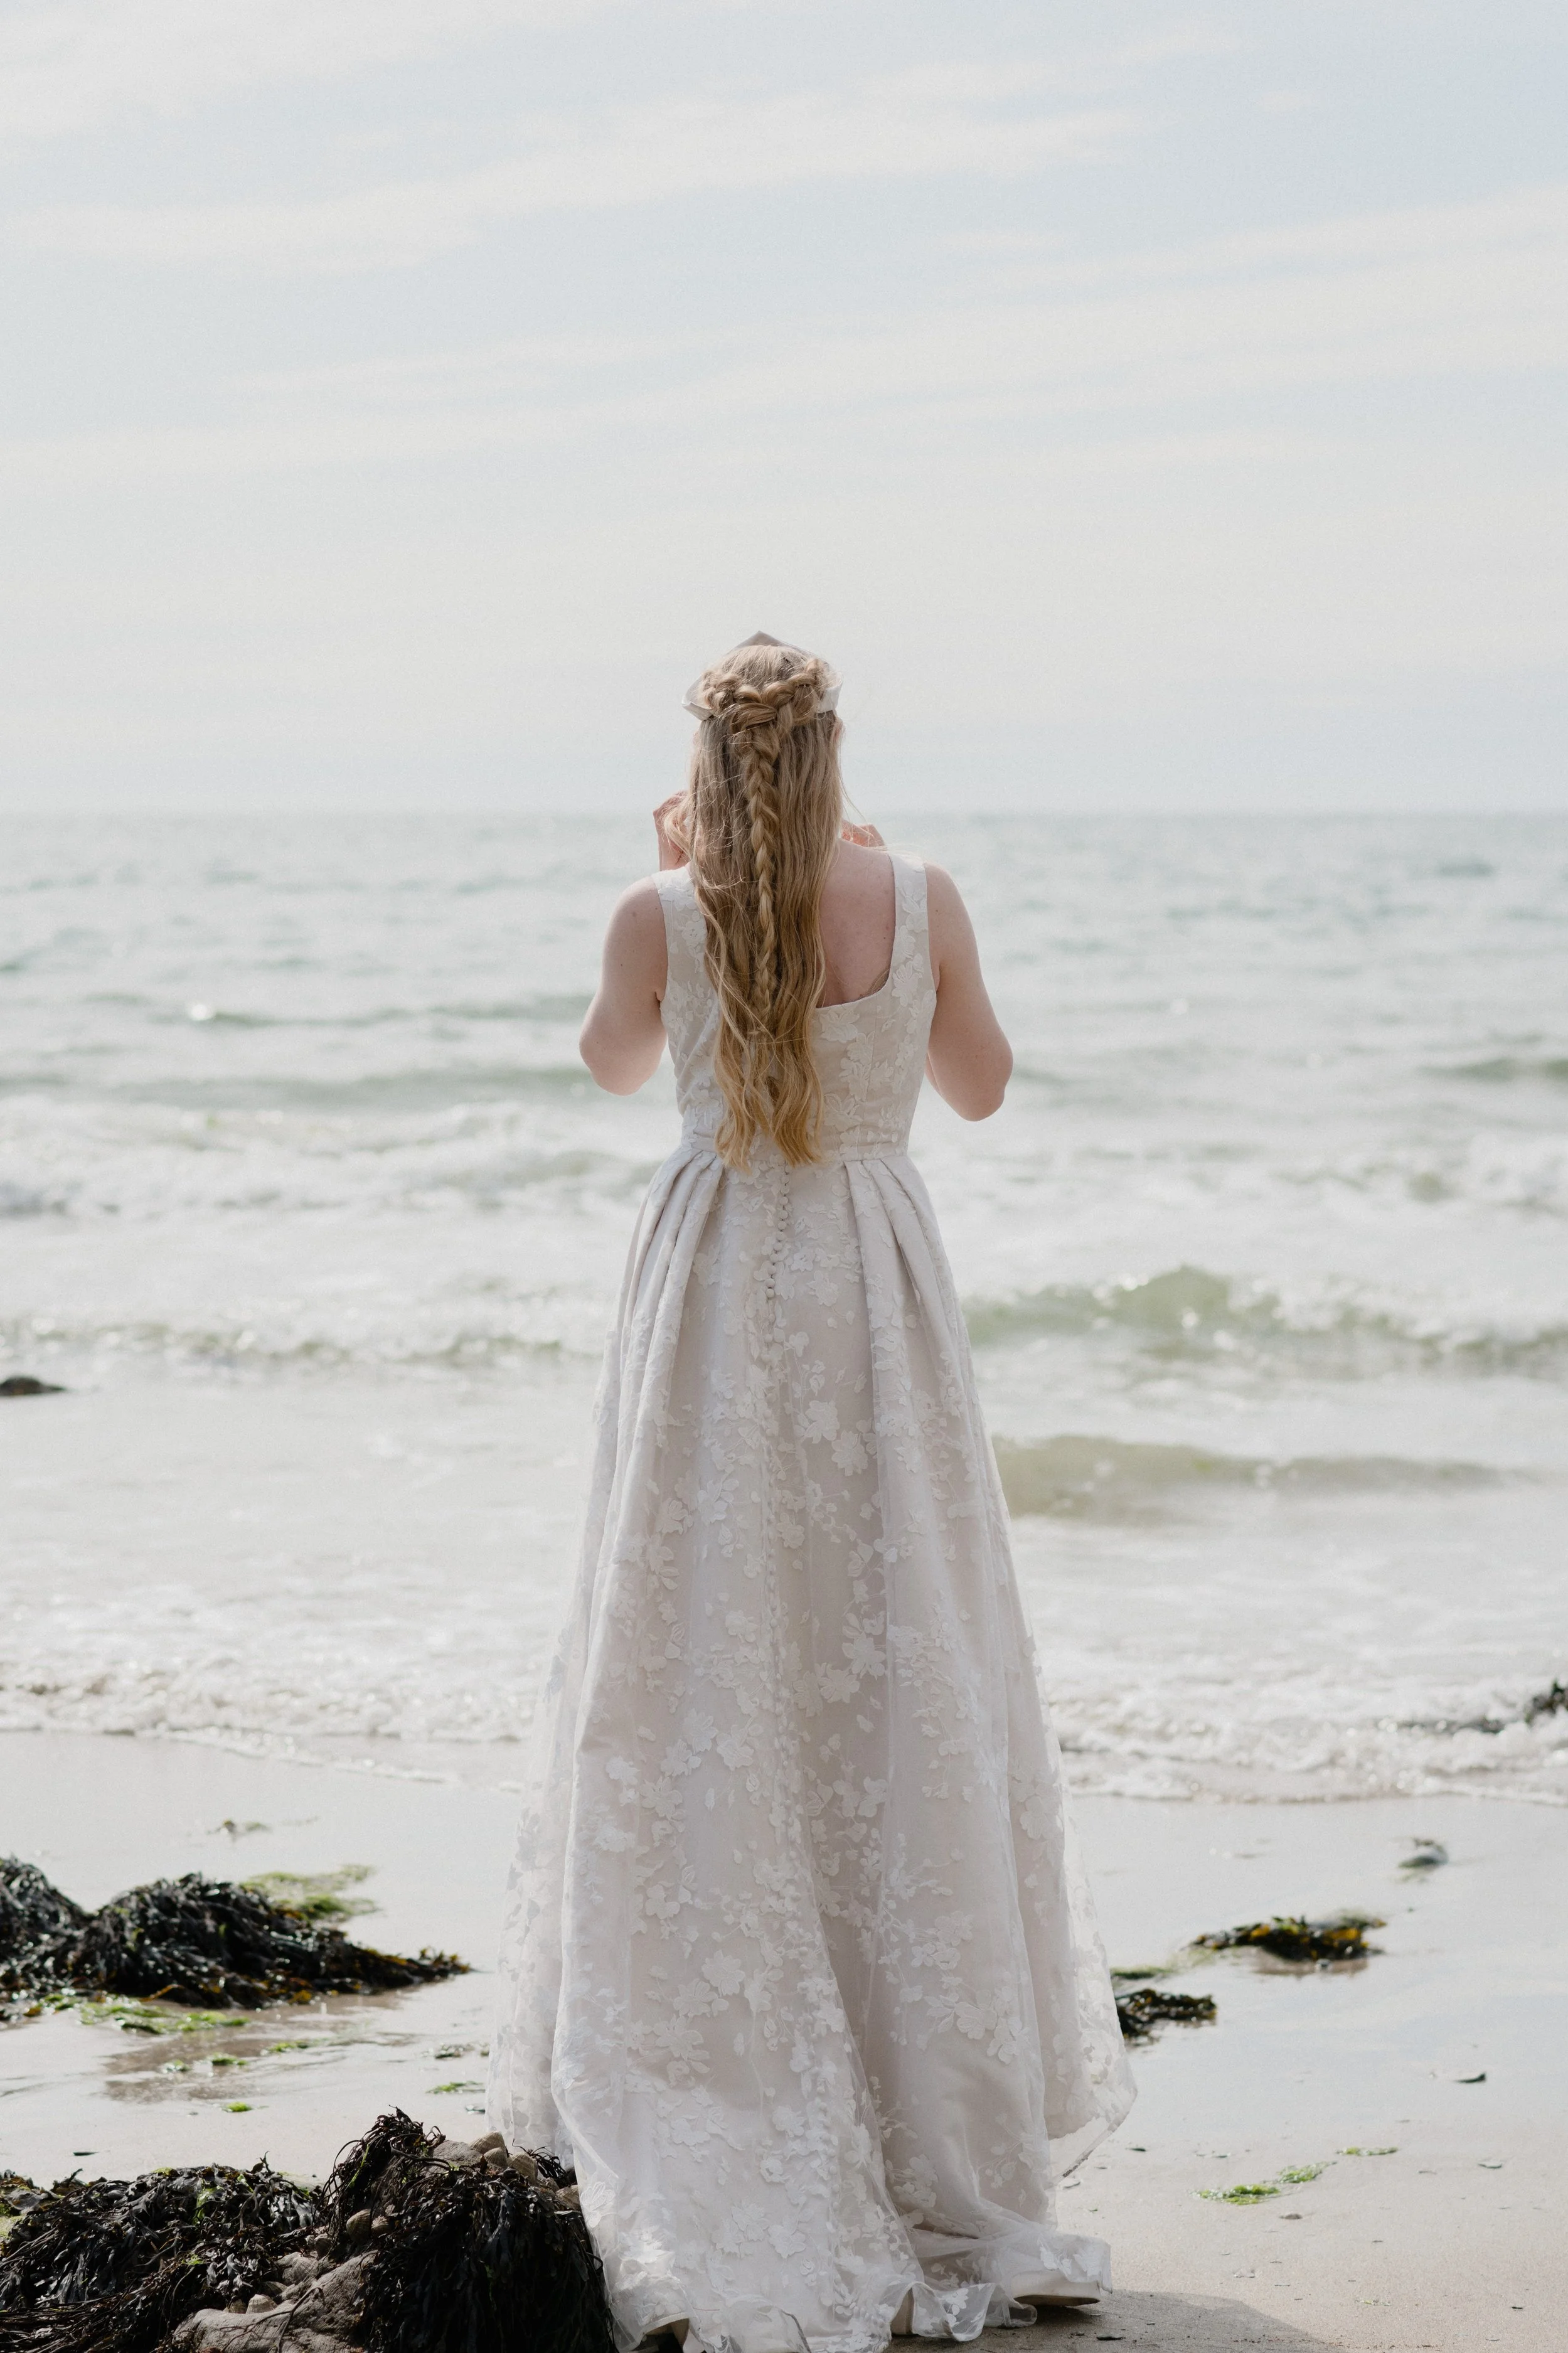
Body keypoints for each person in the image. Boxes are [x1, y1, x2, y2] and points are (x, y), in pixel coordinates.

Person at [488, 634, 1134, 2353]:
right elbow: (980, 1086)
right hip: (872, 1284)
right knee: (894, 1662)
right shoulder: (919, 894)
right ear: (837, 752)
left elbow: (611, 1065)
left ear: (699, 763)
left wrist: (665, 876)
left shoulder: (662, 910)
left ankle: (721, 2075)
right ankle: (935, 2121)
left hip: (715, 1297)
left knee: (703, 1665)